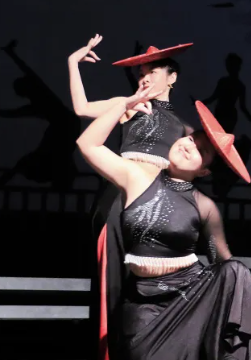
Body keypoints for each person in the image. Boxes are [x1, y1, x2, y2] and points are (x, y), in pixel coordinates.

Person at [76, 81, 251, 359]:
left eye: (201, 150)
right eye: (191, 138)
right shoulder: (136, 177)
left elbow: (222, 261)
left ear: (204, 171)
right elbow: (87, 144)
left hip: (190, 297)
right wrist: (123, 105)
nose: (189, 146)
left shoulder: (204, 206)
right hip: (143, 302)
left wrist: (243, 310)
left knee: (237, 270)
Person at [68, 36, 194, 359]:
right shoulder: (128, 106)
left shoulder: (183, 128)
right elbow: (81, 108)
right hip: (119, 201)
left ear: (172, 77)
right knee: (112, 283)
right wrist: (73, 63)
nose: (145, 77)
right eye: (141, 73)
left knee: (145, 286)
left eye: (153, 71)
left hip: (156, 208)